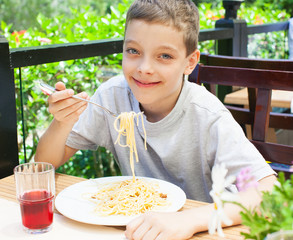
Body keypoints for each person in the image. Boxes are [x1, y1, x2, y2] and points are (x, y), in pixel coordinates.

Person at [35, 0, 276, 239]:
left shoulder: (208, 115)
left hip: (197, 229)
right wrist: (62, 122)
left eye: (164, 56)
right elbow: (43, 165)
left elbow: (270, 195)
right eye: (133, 51)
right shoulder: (111, 97)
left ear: (190, 62)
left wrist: (189, 220)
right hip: (133, 228)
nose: (144, 68)